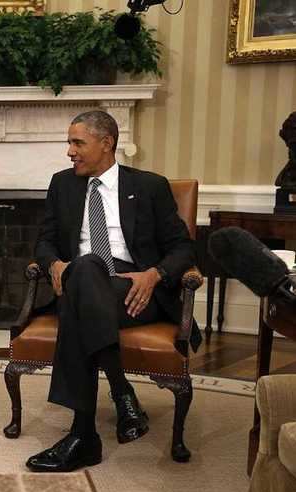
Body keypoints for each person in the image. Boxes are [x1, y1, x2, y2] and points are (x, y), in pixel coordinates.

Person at [26, 110, 201, 472]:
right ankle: (112, 398)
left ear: (106, 144)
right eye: (69, 143)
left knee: (84, 281)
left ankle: (85, 433)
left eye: (78, 143)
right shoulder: (62, 184)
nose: (69, 152)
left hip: (136, 289)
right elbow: (43, 243)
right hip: (79, 281)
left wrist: (154, 274)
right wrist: (55, 265)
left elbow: (183, 248)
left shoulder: (150, 185)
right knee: (86, 266)